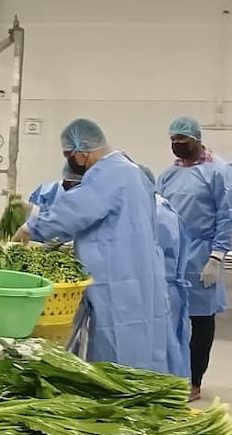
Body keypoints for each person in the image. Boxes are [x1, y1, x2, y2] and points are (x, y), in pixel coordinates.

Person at [13, 119, 169, 373]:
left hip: (116, 276)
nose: (70, 161)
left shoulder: (108, 173)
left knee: (116, 350)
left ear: (81, 151)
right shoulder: (131, 171)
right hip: (140, 272)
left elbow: (76, 210)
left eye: (69, 154)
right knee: (141, 344)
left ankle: (117, 401)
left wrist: (31, 228)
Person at [156, 116, 232, 400]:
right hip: (172, 257)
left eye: (183, 141)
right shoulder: (168, 175)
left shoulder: (219, 171)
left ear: (197, 139)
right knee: (171, 319)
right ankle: (171, 376)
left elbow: (227, 215)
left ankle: (194, 381)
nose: (178, 146)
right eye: (173, 142)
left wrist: (216, 256)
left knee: (201, 320)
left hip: (202, 255)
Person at [140, 165, 192, 380]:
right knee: (169, 347)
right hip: (165, 289)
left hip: (161, 289)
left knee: (161, 353)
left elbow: (146, 256)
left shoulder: (155, 213)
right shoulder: (157, 205)